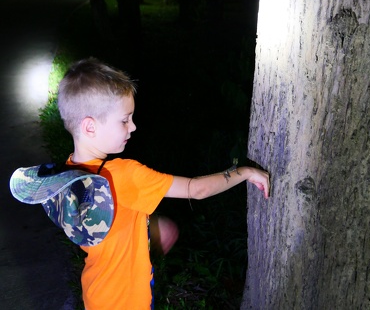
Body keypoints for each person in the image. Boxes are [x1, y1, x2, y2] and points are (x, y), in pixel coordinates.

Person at [56, 57, 270, 310]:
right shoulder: (123, 174)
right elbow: (196, 189)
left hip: (97, 294)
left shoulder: (68, 174)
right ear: (90, 127)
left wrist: (150, 225)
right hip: (127, 302)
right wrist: (244, 172)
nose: (133, 127)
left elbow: (109, 222)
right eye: (124, 120)